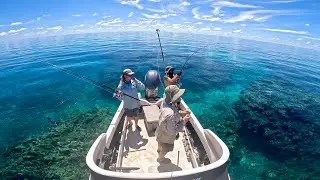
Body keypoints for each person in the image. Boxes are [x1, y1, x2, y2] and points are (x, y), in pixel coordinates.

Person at [155, 85, 191, 162]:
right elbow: (173, 131)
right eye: (178, 96)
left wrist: (182, 113)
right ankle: (161, 158)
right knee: (165, 149)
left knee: (160, 144)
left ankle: (159, 150)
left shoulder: (165, 102)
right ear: (173, 98)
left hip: (159, 131)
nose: (180, 98)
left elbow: (173, 113)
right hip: (166, 137)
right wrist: (184, 120)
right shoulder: (170, 113)